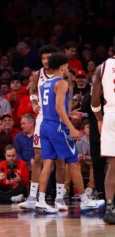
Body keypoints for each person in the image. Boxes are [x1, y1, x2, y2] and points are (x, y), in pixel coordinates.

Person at [36, 53, 104, 214]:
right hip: (57, 127)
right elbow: (59, 108)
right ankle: (85, 200)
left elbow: (53, 107)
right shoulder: (61, 83)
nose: (68, 70)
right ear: (62, 66)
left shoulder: (45, 83)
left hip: (45, 125)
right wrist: (72, 128)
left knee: (47, 163)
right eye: (67, 66)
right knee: (73, 162)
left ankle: (40, 201)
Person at [18, 45, 69, 211]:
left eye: (48, 58)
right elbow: (32, 89)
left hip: (58, 119)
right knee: (38, 158)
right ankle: (32, 197)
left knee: (60, 160)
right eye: (43, 58)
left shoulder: (63, 74)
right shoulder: (38, 74)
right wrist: (33, 101)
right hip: (42, 119)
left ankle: (60, 198)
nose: (46, 61)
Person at [91, 49, 115, 224]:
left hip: (111, 116)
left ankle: (109, 207)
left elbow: (94, 100)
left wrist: (99, 119)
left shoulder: (102, 67)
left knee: (112, 165)